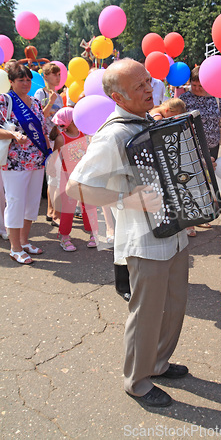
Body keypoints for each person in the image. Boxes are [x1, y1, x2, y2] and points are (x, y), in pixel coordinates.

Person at [66, 58, 189, 408]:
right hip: (145, 241)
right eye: (140, 87)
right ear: (118, 98)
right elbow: (76, 187)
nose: (150, 89)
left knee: (174, 305)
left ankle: (157, 363)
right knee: (146, 313)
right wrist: (126, 199)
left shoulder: (146, 120)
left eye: (148, 81)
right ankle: (137, 381)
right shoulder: (114, 133)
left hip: (174, 231)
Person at [0, 63, 50, 264]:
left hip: (36, 161)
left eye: (28, 79)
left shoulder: (36, 102)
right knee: (15, 203)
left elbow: (42, 127)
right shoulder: (5, 101)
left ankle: (24, 241)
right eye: (21, 80)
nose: (26, 83)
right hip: (14, 162)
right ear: (11, 82)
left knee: (31, 203)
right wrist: (12, 134)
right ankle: (15, 247)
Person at [51, 107, 98, 251]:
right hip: (68, 178)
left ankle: (93, 234)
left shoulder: (85, 134)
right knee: (68, 208)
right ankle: (64, 237)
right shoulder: (61, 138)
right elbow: (54, 159)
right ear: (70, 121)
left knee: (89, 205)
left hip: (84, 176)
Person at [180, 66, 221, 161]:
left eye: (200, 86)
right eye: (194, 85)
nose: (196, 89)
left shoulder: (216, 98)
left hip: (213, 147)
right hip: (192, 148)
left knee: (210, 173)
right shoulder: (184, 99)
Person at [35, 62, 63, 226]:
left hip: (56, 137)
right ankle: (52, 212)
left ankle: (51, 211)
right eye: (54, 74)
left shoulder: (58, 95)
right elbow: (39, 117)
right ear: (45, 76)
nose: (58, 77)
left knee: (55, 175)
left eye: (59, 74)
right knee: (52, 176)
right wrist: (50, 102)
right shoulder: (41, 93)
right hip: (45, 139)